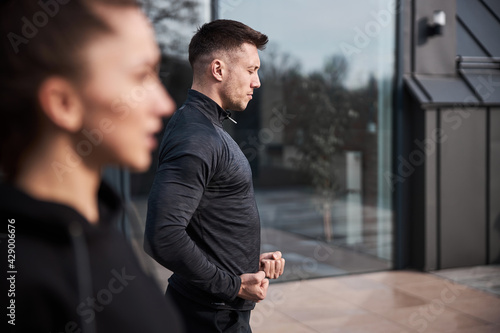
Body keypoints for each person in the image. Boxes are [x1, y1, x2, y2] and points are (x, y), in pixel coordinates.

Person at [0, 0, 183, 332]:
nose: (165, 103)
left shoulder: (102, 226)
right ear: (63, 103)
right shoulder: (19, 280)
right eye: (141, 75)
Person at [145, 19, 285, 332]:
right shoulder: (197, 136)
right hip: (210, 317)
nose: (257, 82)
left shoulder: (205, 128)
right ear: (219, 70)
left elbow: (204, 222)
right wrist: (232, 284)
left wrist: (246, 261)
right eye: (251, 70)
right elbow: (163, 236)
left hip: (214, 312)